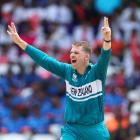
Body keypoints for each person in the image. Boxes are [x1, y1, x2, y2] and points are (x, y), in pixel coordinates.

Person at [7, 17, 111, 140]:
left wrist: (107, 39)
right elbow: (45, 60)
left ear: (86, 57)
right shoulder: (67, 71)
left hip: (95, 130)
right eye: (71, 52)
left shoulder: (97, 72)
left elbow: (105, 56)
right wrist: (20, 42)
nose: (72, 54)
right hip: (72, 129)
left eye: (76, 53)